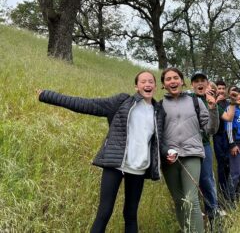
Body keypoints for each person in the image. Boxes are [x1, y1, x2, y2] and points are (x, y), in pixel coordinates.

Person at [38, 71, 163, 233]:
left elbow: (160, 141)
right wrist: (47, 95)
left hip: (138, 168)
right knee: (104, 212)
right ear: (136, 86)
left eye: (150, 81)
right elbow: (88, 105)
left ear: (155, 86)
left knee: (131, 215)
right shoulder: (122, 102)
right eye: (143, 81)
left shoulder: (158, 111)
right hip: (115, 165)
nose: (147, 84)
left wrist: (169, 153)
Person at [159, 68, 218, 233]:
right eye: (168, 79)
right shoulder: (159, 105)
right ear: (163, 84)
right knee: (179, 200)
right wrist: (164, 153)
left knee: (191, 199)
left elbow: (211, 129)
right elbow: (156, 133)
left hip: (192, 153)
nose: (172, 81)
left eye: (176, 77)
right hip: (169, 158)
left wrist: (213, 109)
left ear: (182, 81)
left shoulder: (195, 102)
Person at [189, 71, 221, 223]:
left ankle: (213, 216)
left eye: (203, 80)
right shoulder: (187, 99)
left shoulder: (211, 100)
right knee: (190, 185)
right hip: (187, 148)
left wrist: (213, 105)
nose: (199, 83)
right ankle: (194, 219)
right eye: (196, 81)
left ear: (208, 84)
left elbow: (213, 129)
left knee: (207, 181)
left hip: (205, 145)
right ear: (192, 85)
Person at [213, 80, 238, 205]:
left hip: (228, 137)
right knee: (221, 166)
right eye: (219, 88)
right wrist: (216, 102)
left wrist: (233, 142)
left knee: (229, 165)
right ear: (216, 89)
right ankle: (222, 196)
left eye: (223, 88)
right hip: (217, 137)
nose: (221, 90)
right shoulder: (212, 101)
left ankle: (230, 193)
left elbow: (231, 120)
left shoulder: (229, 103)